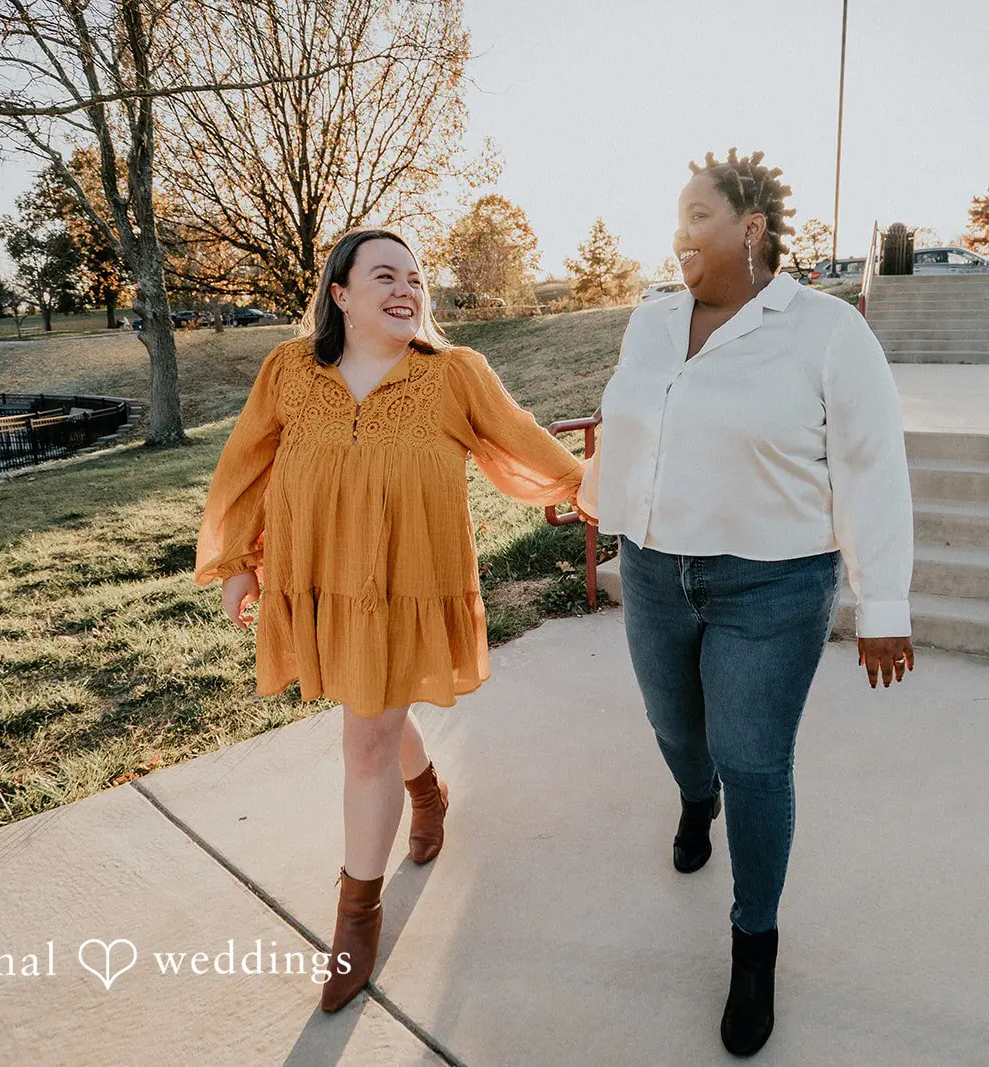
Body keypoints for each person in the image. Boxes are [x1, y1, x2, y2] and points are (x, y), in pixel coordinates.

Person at [576, 149, 916, 1056]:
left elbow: (873, 464)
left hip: (773, 579)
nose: (680, 233)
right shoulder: (650, 323)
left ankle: (754, 942)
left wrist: (883, 603)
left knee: (755, 758)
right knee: (676, 730)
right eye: (677, 216)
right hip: (654, 569)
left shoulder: (826, 332)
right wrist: (598, 500)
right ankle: (696, 799)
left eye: (697, 214)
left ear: (751, 226)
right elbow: (633, 426)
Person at [194, 227, 584, 1014]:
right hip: (319, 579)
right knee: (365, 700)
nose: (408, 288)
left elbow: (526, 445)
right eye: (385, 275)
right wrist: (238, 560)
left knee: (365, 731)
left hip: (410, 583)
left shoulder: (454, 374)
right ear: (339, 293)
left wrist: (595, 484)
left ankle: (355, 918)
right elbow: (244, 463)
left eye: (415, 278)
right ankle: (427, 791)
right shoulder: (289, 372)